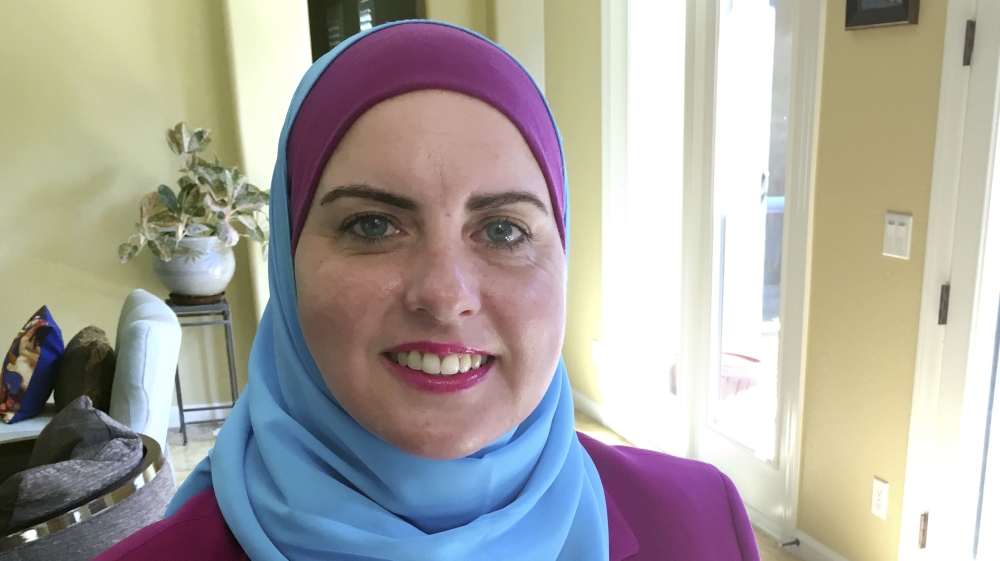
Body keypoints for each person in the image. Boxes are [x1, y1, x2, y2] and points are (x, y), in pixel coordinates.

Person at [94, 21, 759, 561]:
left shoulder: (703, 525)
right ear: (289, 264)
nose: (444, 294)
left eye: (503, 229)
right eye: (373, 224)